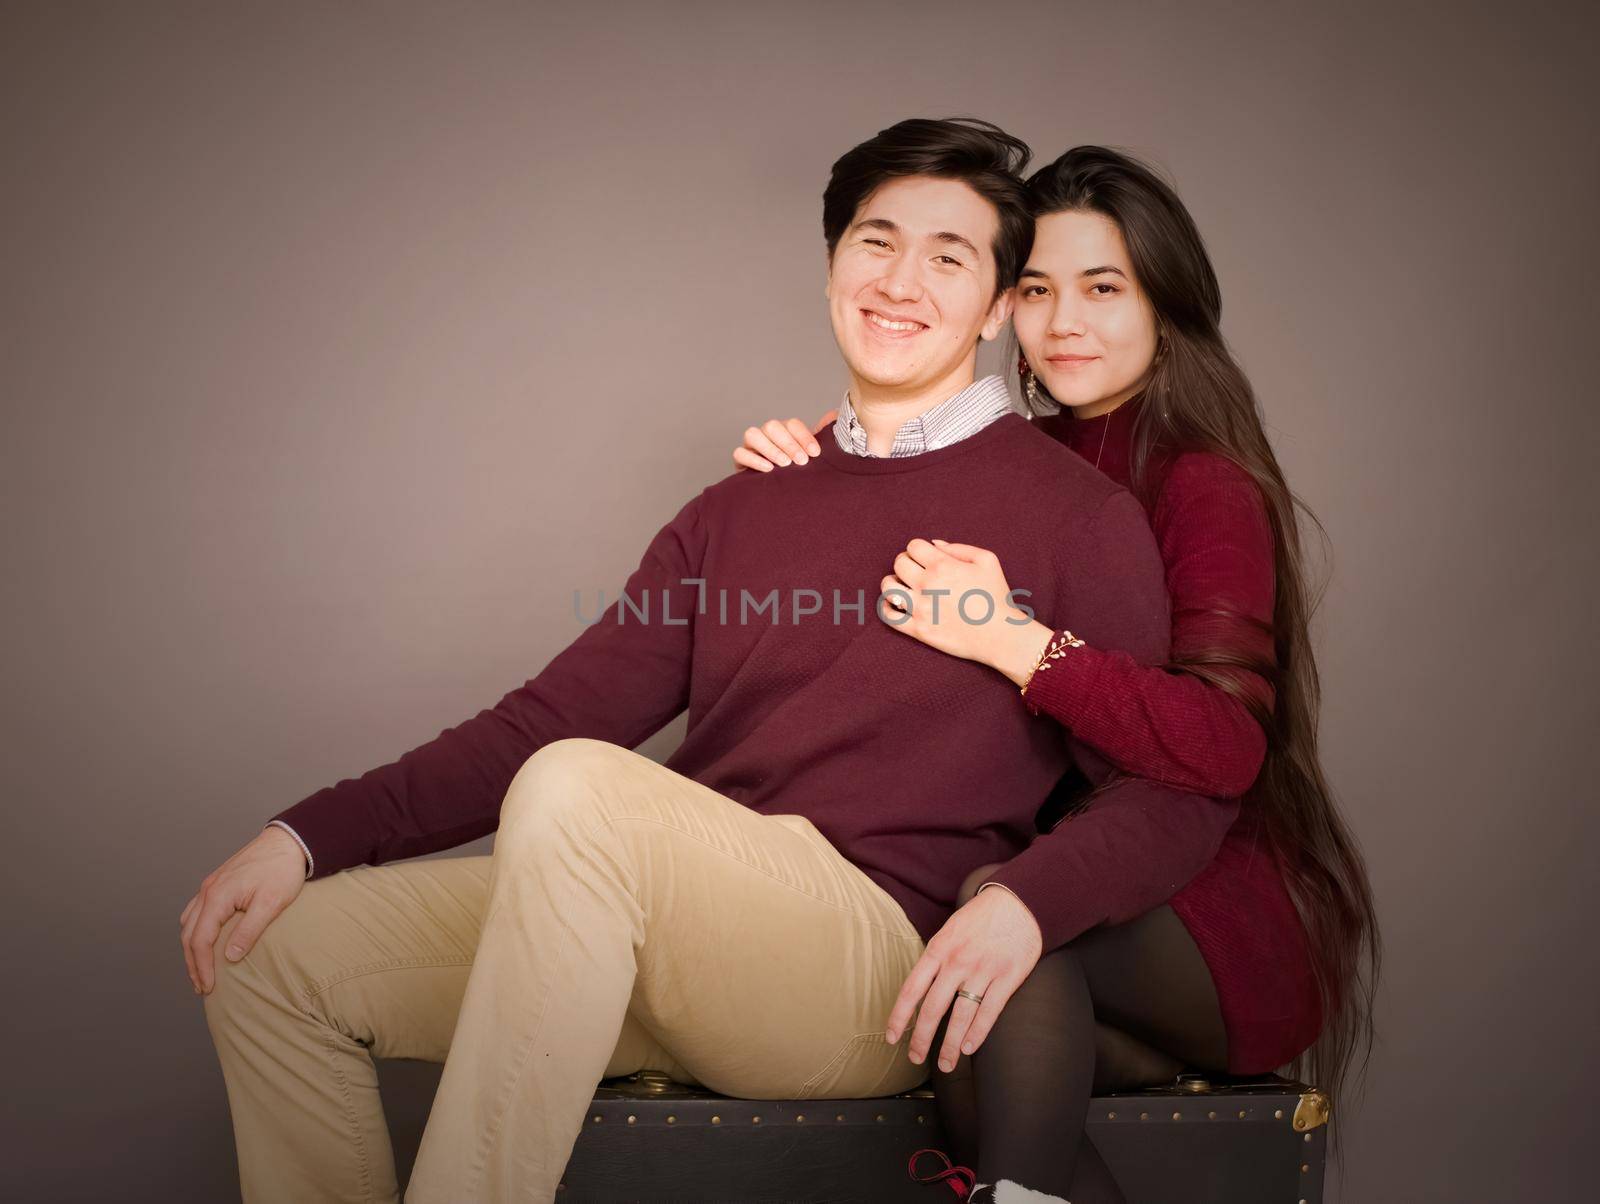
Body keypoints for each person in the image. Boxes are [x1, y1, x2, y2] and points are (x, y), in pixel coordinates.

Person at [179, 119, 1241, 1204]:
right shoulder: (739, 503)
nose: (900, 280)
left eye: (949, 257)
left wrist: (1026, 900)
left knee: (579, 787)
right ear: (832, 264)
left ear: (996, 306)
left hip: (871, 967)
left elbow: (1164, 790)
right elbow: (539, 721)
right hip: (662, 929)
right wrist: (306, 836)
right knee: (274, 959)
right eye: (875, 242)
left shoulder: (1076, 515)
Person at [732, 146, 1381, 1202]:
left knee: (1002, 939)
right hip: (1066, 894)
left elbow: (1222, 745)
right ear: (1000, 307)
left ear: (1167, 305)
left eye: (1103, 287)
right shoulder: (1015, 459)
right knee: (969, 1032)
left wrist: (1015, 642)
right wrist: (806, 464)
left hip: (1212, 913)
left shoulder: (1199, 479)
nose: (1063, 321)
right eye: (1035, 288)